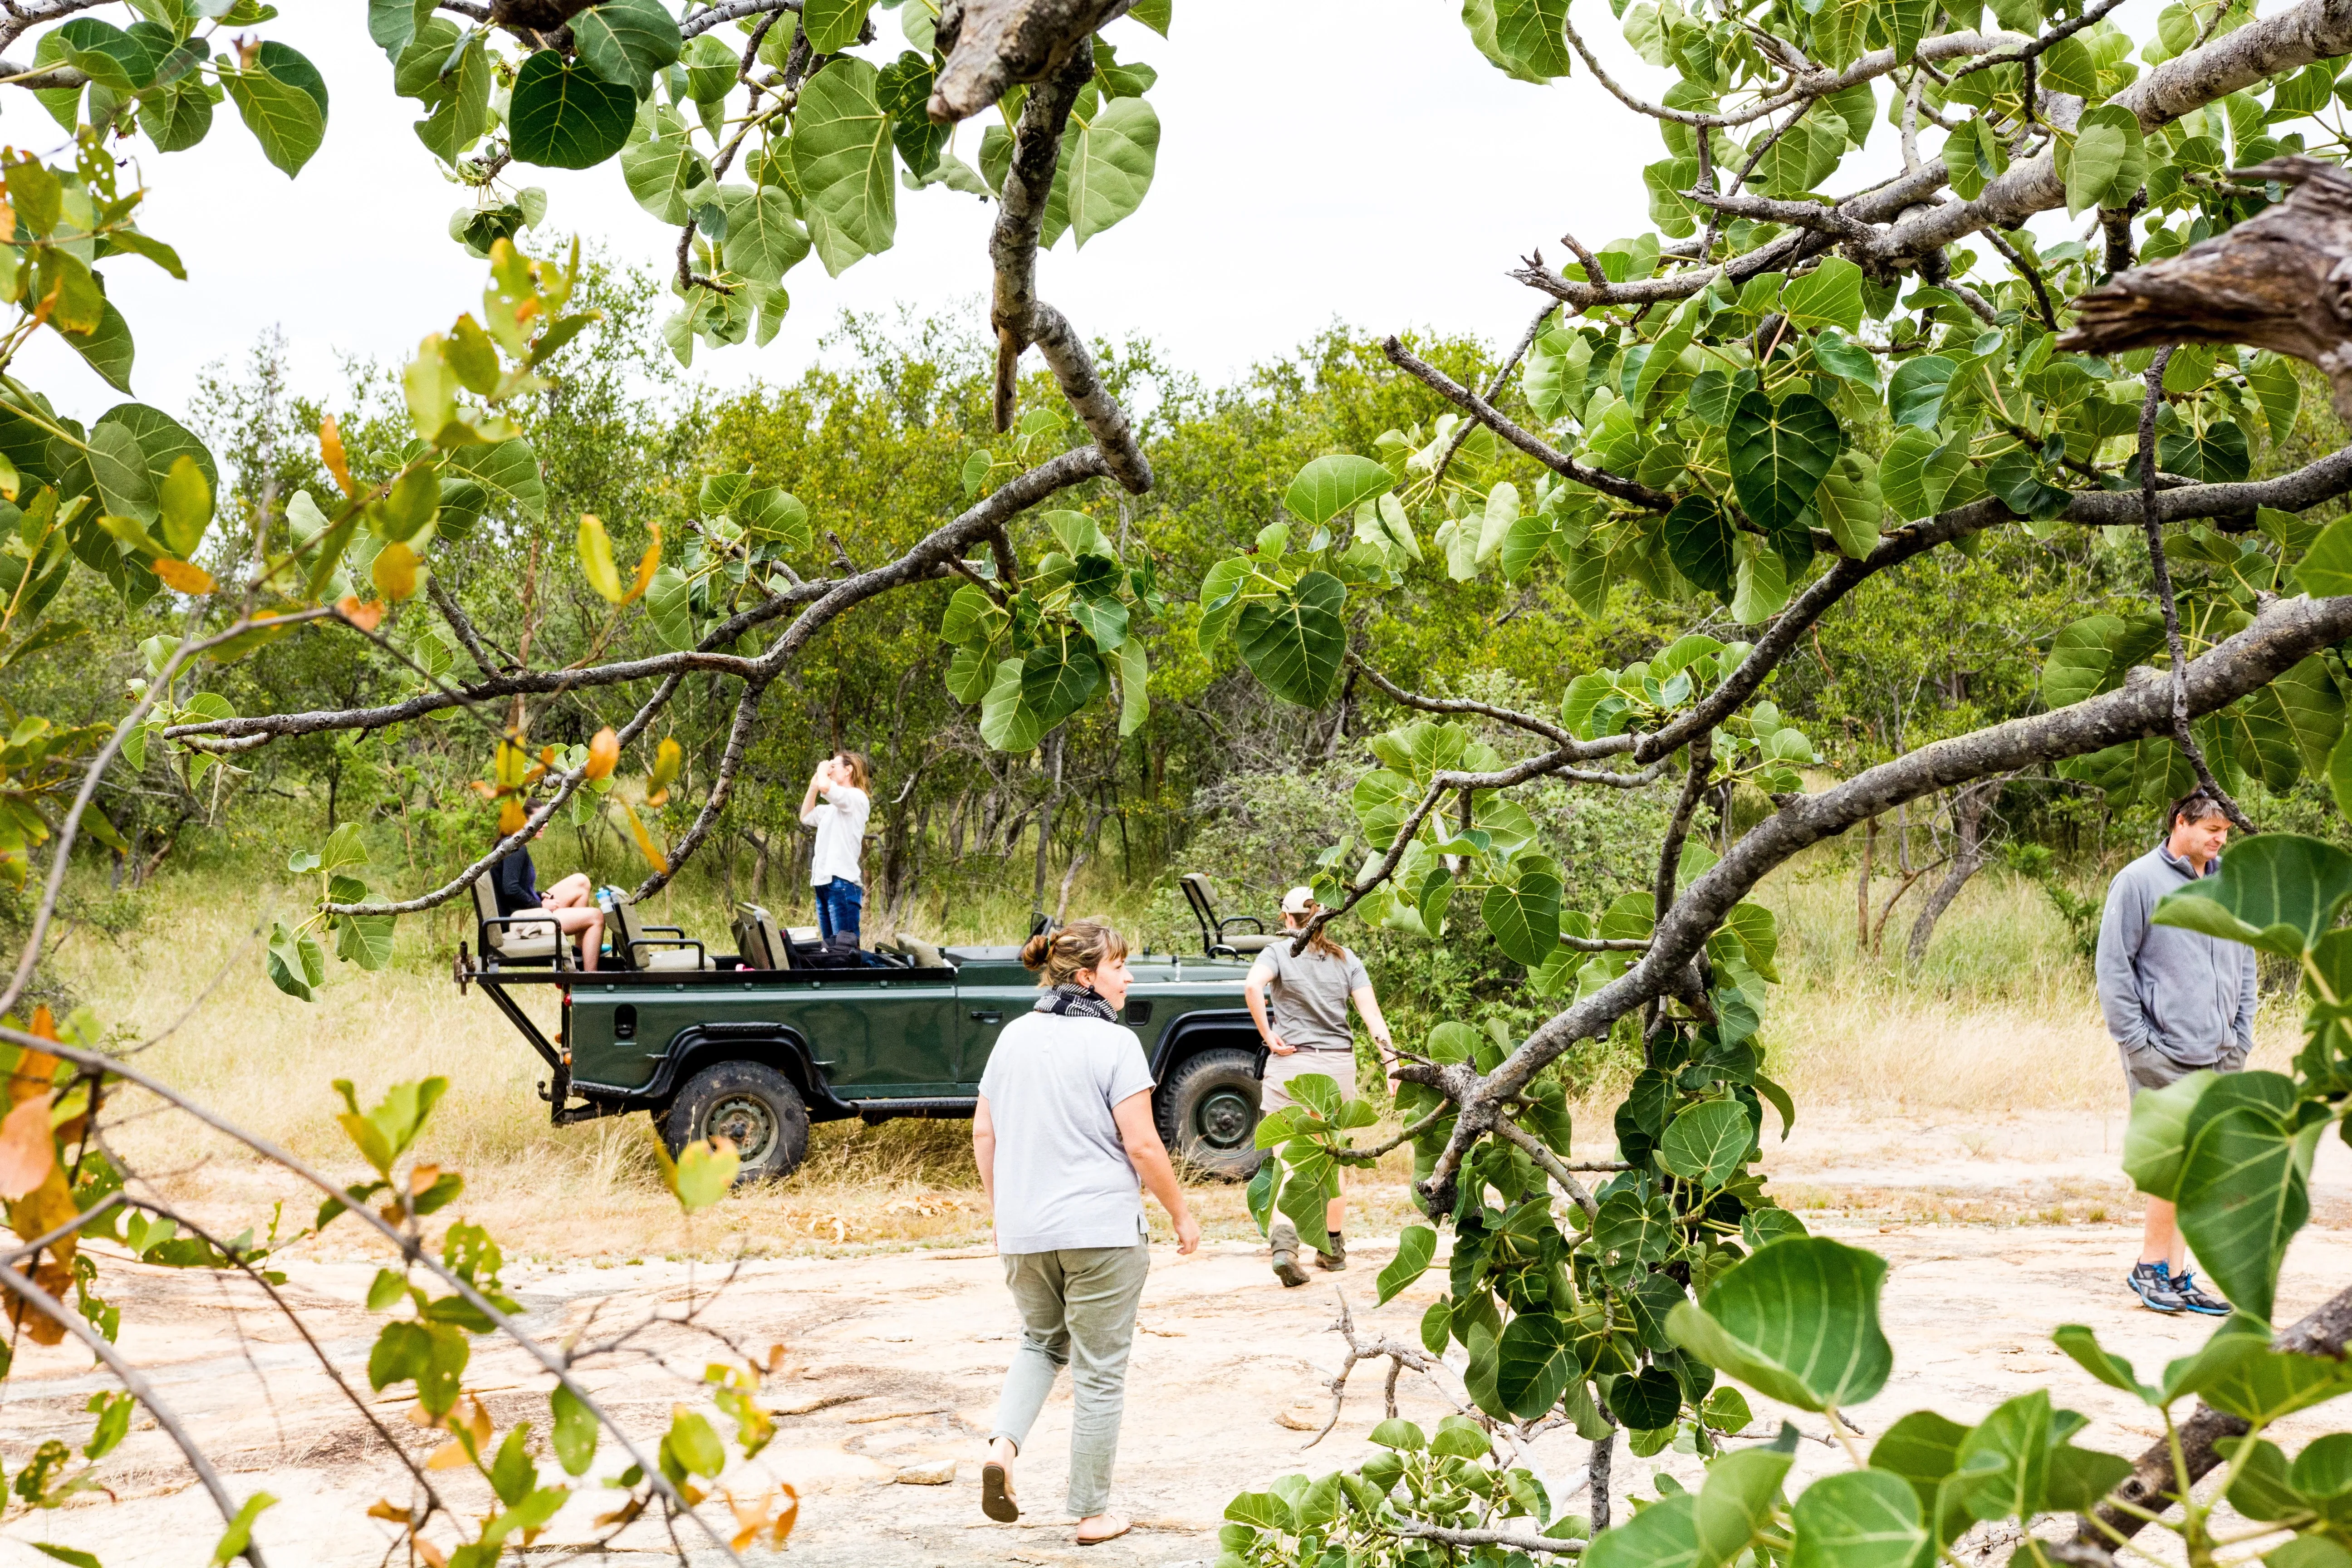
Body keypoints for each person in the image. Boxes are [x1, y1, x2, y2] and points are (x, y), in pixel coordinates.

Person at [973, 919, 1200, 1548]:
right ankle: (1091, 1513)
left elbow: (984, 1136)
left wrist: (1003, 1212)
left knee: (1039, 1344)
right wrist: (1181, 1213)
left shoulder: (1012, 1037)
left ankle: (1003, 1450)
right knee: (1100, 1370)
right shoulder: (1113, 1043)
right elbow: (1144, 1145)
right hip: (1101, 1231)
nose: (1129, 977)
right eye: (1120, 966)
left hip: (1024, 1231)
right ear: (1085, 978)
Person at [2096, 788, 2254, 1316]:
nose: (2219, 842)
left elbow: (2246, 964)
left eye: (2225, 834)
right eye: (2212, 831)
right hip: (2162, 1051)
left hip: (2220, 1052)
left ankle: (2181, 1275)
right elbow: (2114, 967)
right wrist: (2137, 1043)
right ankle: (2149, 1268)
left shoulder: (2230, 883)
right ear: (2181, 823)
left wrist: (2240, 1038)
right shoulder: (2138, 881)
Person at [1244, 887, 1395, 1286]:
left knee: (1288, 1159)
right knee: (1332, 1159)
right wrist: (1391, 1062)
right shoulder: (1347, 959)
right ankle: (1331, 1247)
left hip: (1291, 1065)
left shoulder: (1277, 953)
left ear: (1287, 918)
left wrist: (1269, 1035)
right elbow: (1372, 1017)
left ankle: (1284, 1247)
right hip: (1336, 1067)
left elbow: (1251, 987)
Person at [489, 840, 603, 971]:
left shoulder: (509, 842)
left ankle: (579, 953)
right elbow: (511, 890)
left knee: (581, 882)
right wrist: (540, 905)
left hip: (519, 912)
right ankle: (590, 980)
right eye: (539, 820)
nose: (545, 824)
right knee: (596, 917)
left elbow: (510, 890)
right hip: (520, 923)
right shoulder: (516, 848)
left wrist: (539, 895)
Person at [799, 750, 872, 950]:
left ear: (848, 770)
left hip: (842, 884)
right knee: (831, 950)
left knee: (845, 950)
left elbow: (827, 787)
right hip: (824, 883)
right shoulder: (833, 809)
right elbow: (806, 816)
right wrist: (814, 786)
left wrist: (823, 772)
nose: (829, 770)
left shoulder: (857, 798)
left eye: (834, 766)